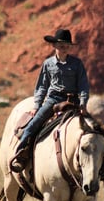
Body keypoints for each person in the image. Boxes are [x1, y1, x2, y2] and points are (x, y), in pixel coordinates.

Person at [10, 28, 89, 172]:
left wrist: (83, 103)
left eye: (67, 45)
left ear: (70, 47)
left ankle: (94, 166)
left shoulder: (77, 64)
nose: (64, 47)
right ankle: (20, 155)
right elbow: (41, 86)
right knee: (33, 125)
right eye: (61, 44)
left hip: (73, 101)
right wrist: (36, 106)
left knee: (91, 131)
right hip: (53, 100)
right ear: (55, 46)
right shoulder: (48, 64)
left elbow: (83, 85)